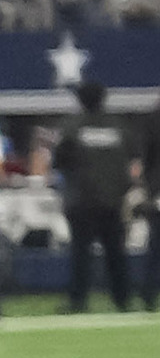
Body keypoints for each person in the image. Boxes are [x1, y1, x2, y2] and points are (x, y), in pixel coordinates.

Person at [51, 80, 138, 313]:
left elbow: (58, 161)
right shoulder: (119, 126)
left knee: (81, 254)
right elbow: (132, 161)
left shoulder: (71, 126)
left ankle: (78, 301)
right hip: (113, 201)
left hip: (81, 201)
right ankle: (123, 300)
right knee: (116, 253)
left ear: (79, 100)